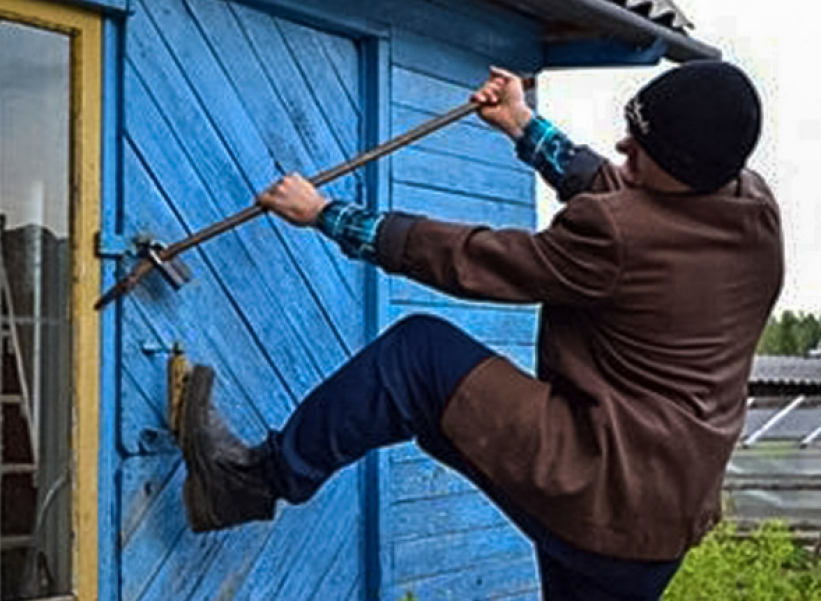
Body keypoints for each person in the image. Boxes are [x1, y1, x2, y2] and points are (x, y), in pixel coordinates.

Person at [176, 61, 783, 600]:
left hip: (601, 478)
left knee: (417, 358)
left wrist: (327, 214)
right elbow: (629, 199)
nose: (624, 146)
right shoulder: (751, 208)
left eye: (641, 148)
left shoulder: (619, 235)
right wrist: (524, 125)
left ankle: (251, 482)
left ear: (684, 170)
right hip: (661, 526)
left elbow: (474, 259)